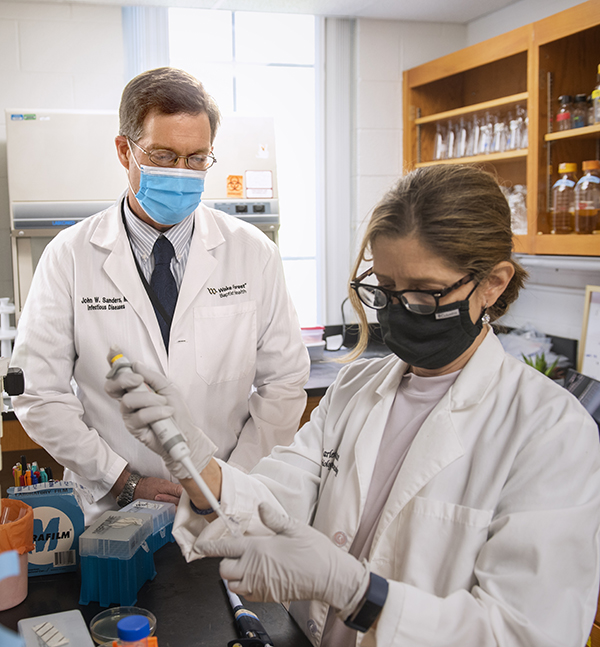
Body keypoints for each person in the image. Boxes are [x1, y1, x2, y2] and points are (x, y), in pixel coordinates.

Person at [107, 164, 600, 647]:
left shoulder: (552, 432)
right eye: (384, 291)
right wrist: (192, 458)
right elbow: (275, 507)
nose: (400, 312)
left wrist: (357, 592)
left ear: (492, 283)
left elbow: (526, 633)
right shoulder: (357, 387)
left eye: (425, 296)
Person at [11, 67, 310, 523]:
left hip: (224, 511)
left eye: (196, 159)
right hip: (111, 508)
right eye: (164, 156)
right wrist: (123, 480)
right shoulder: (69, 257)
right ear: (123, 150)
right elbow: (40, 393)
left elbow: (284, 385)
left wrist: (226, 482)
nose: (182, 173)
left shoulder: (253, 255)